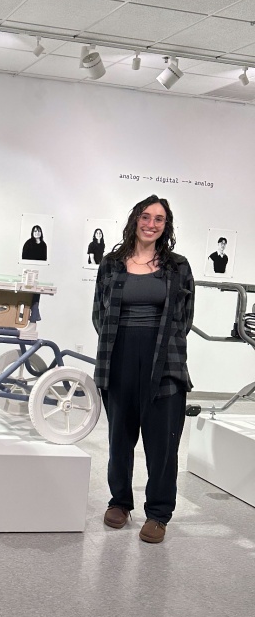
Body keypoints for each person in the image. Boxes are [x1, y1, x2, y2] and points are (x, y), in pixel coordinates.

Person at [93, 195, 193, 544]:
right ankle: (120, 502)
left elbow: (184, 318)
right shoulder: (111, 264)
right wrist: (118, 345)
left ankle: (158, 513)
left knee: (162, 442)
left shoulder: (178, 266)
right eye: (146, 217)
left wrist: (163, 349)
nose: (151, 224)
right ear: (135, 219)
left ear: (166, 226)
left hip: (164, 361)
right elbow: (99, 313)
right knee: (119, 437)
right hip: (118, 357)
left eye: (159, 219)